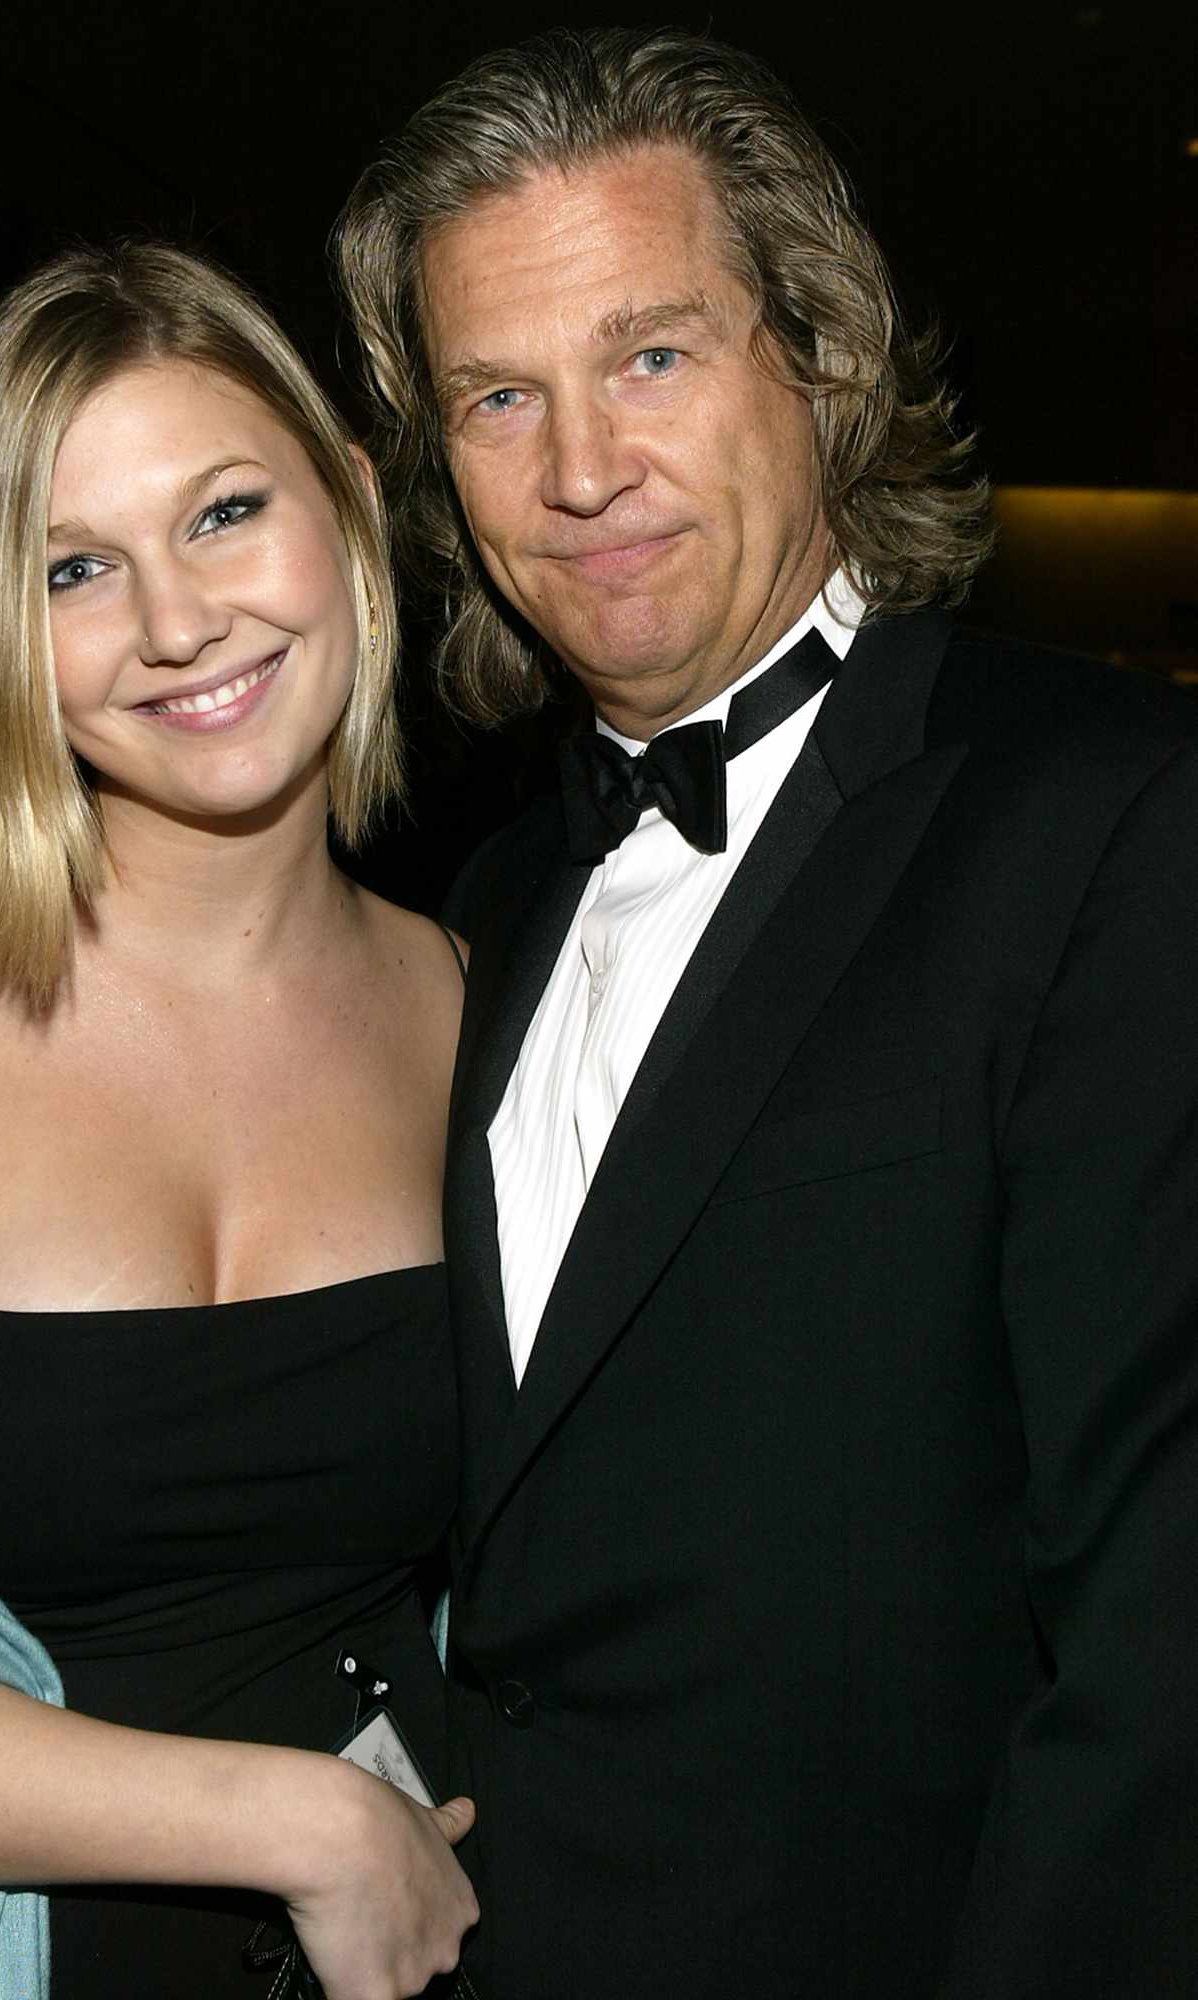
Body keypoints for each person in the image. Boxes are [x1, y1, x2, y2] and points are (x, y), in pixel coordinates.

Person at [335, 27, 1198, 1998]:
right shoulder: (481, 905)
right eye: (496, 394)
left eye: (651, 355)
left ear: (813, 352)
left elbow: (1163, 1640)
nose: (577, 469)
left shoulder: (1110, 821)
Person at [0, 241, 478, 1999]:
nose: (177, 621)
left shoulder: (475, 1001)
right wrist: (307, 1827)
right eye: (75, 566)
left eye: (222, 512)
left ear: (348, 505)